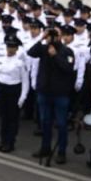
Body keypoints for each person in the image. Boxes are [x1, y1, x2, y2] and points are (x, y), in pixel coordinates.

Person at [27, 26, 76, 163]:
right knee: (45, 122)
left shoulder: (67, 51)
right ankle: (45, 147)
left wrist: (55, 56)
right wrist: (42, 38)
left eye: (55, 34)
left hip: (60, 94)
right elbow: (30, 52)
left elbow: (68, 68)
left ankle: (61, 151)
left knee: (61, 124)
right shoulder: (44, 49)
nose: (52, 36)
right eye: (51, 34)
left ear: (60, 36)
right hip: (44, 91)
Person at [0, 35, 29, 152]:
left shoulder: (20, 63)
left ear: (17, 49)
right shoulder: (1, 59)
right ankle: (3, 140)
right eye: (9, 46)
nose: (10, 49)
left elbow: (25, 81)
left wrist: (22, 97)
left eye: (13, 47)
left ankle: (10, 142)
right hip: (2, 88)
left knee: (12, 118)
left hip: (14, 90)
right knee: (3, 117)